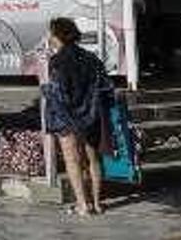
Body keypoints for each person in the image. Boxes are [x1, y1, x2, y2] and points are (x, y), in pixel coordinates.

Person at [43, 17, 112, 216]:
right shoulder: (92, 58)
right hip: (91, 115)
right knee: (93, 160)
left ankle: (83, 204)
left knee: (72, 160)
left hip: (67, 119)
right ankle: (98, 203)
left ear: (58, 35)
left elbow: (58, 93)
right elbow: (106, 86)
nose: (49, 37)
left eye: (51, 33)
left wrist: (44, 90)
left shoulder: (56, 61)